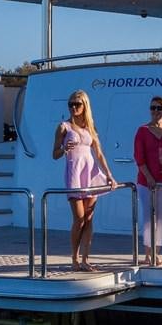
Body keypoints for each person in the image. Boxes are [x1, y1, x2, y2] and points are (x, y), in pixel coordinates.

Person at [52, 90, 115, 272]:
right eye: (70, 104)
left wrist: (109, 175)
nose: (73, 107)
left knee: (89, 218)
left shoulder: (90, 128)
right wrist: (64, 148)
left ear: (85, 106)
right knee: (79, 219)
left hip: (91, 174)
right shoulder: (64, 127)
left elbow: (99, 154)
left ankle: (85, 259)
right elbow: (54, 154)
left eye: (77, 104)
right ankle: (74, 257)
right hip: (74, 174)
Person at [133, 95, 162, 266]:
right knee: (149, 216)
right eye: (153, 108)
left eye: (159, 108)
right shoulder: (142, 130)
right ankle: (148, 254)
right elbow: (139, 157)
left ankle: (156, 253)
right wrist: (149, 178)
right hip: (147, 181)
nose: (156, 111)